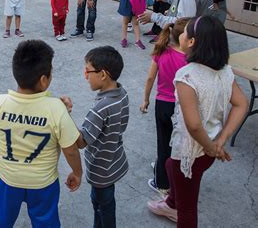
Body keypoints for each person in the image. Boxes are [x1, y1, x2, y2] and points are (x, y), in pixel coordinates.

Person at [147, 16, 248, 227]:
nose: (180, 34)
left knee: (188, 210)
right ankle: (171, 202)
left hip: (191, 152)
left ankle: (175, 206)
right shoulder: (224, 71)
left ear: (191, 42)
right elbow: (241, 104)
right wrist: (221, 140)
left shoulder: (187, 75)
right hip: (207, 151)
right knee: (168, 165)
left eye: (184, 33)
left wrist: (212, 147)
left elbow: (193, 125)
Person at [0, 40, 83, 228]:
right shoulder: (56, 108)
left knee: (1, 221)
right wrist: (77, 172)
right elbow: (71, 149)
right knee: (45, 222)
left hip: (8, 179)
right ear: (43, 80)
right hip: (43, 183)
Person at [76, 46, 129, 228]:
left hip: (100, 170)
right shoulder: (122, 94)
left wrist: (63, 116)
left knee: (102, 206)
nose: (85, 76)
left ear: (103, 74)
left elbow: (81, 142)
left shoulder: (101, 108)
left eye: (88, 71)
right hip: (114, 161)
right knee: (105, 203)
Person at [140, 19, 189, 196]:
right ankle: (173, 174)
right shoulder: (190, 58)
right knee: (178, 142)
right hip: (182, 106)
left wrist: (145, 99)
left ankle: (161, 182)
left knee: (163, 142)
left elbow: (150, 78)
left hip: (162, 104)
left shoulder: (161, 51)